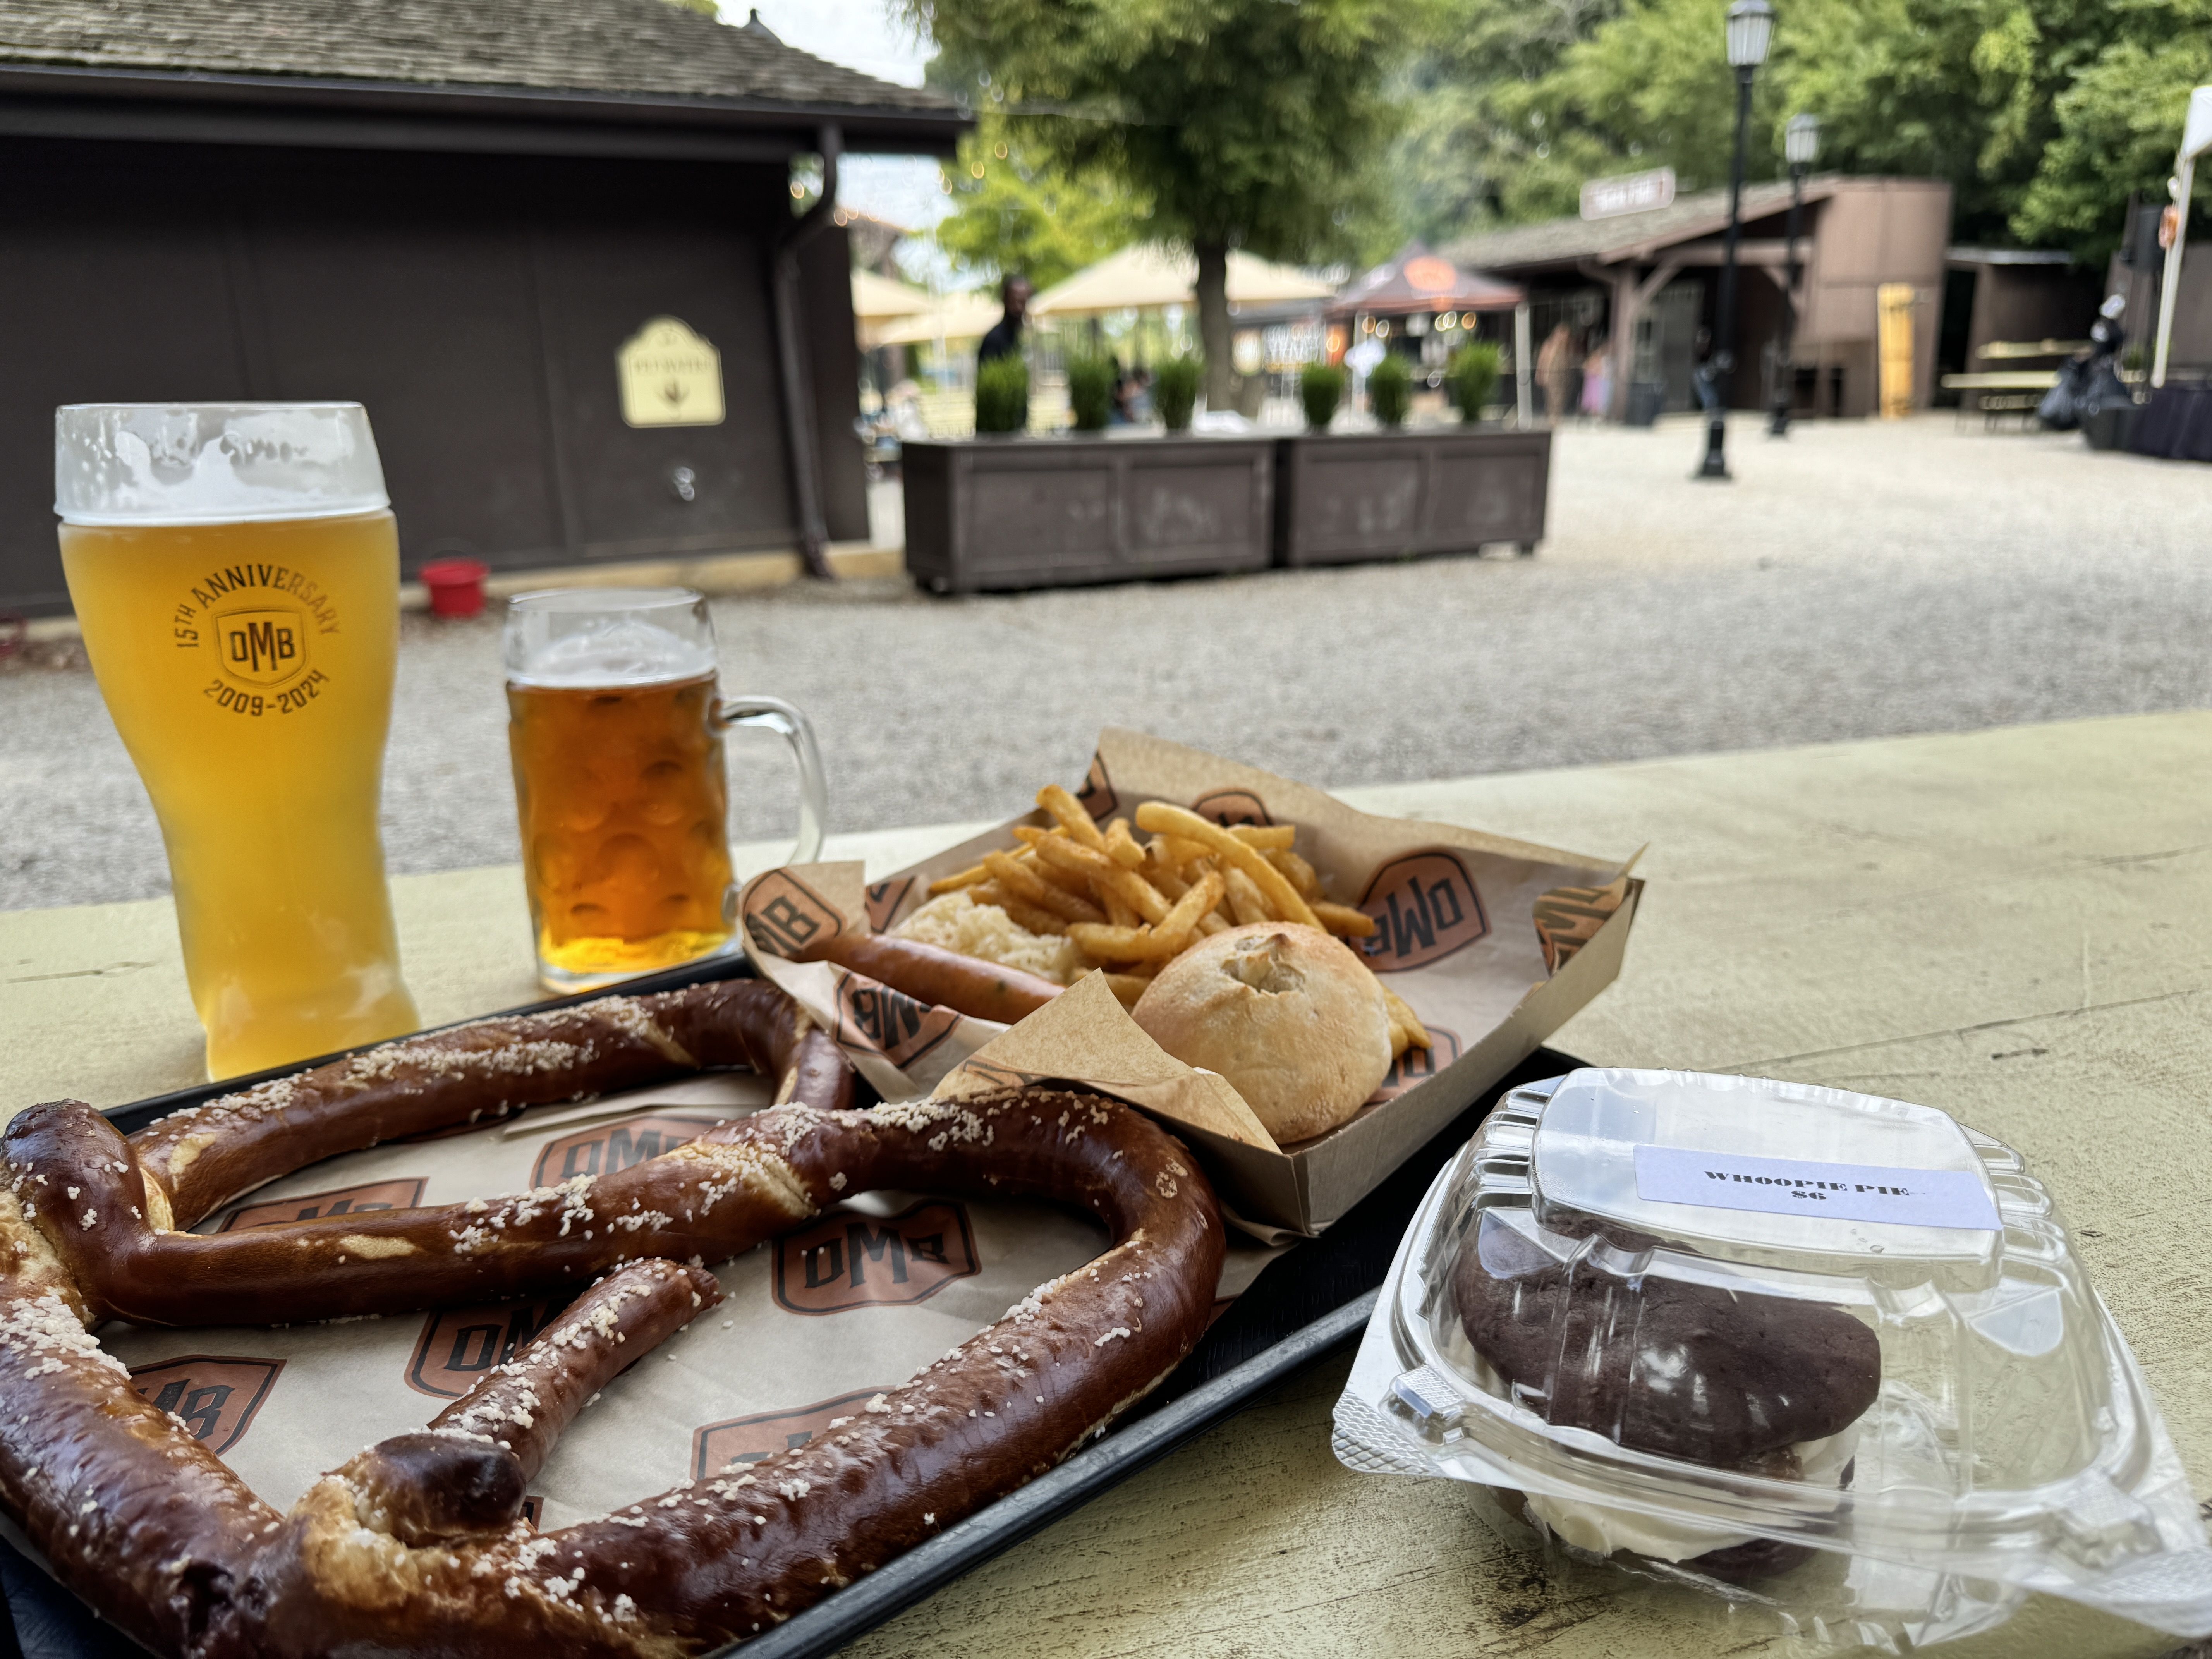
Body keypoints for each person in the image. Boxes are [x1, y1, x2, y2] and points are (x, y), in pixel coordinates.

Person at [977, 273, 1031, 369]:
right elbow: (988, 380)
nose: (1018, 308)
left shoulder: (1028, 337)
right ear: (1004, 300)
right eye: (1013, 301)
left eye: (1022, 302)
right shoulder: (994, 340)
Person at [1537, 323, 1574, 424]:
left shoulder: (1566, 347)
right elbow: (1543, 360)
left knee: (1561, 396)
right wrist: (1541, 374)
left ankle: (1556, 415)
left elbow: (1569, 361)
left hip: (1563, 375)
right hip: (1552, 374)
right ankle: (1553, 416)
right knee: (1553, 396)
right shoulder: (1550, 345)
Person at [1580, 338, 1612, 421]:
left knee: (1599, 398)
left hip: (1598, 380)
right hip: (1593, 381)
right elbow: (1586, 368)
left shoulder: (1604, 359)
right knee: (1593, 397)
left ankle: (1597, 414)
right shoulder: (1594, 359)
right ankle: (1593, 414)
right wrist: (1593, 371)